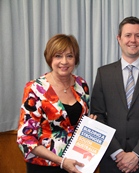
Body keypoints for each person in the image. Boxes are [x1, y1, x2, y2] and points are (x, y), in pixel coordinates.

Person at [90, 16, 139, 173]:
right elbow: (97, 115)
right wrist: (117, 153)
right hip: (113, 162)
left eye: (138, 35)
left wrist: (137, 154)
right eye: (127, 35)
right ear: (118, 39)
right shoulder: (103, 73)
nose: (133, 40)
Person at [17, 34, 96, 173]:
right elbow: (26, 138)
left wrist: (89, 125)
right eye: (58, 56)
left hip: (76, 164)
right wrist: (62, 161)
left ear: (75, 59)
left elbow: (78, 123)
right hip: (45, 166)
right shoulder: (35, 88)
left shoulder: (81, 84)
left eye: (70, 56)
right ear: (50, 58)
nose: (64, 61)